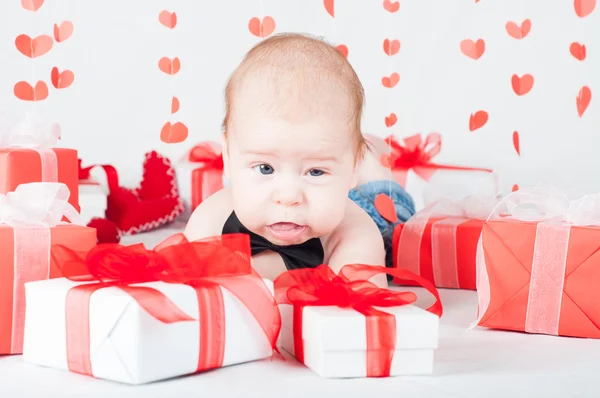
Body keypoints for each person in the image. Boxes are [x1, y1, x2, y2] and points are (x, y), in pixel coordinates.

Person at [184, 33, 415, 287]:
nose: (288, 196)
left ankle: (371, 164)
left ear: (352, 169)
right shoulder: (210, 220)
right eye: (265, 168)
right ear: (227, 157)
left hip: (371, 210)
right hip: (333, 189)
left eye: (315, 171)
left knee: (387, 202)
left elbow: (356, 312)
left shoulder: (356, 234)